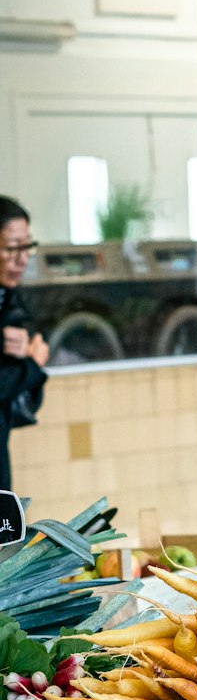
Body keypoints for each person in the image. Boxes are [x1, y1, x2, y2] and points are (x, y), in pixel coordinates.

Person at [0, 198, 48, 493]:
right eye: (11, 248)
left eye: (26, 247)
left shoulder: (9, 298)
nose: (22, 259)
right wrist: (33, 365)